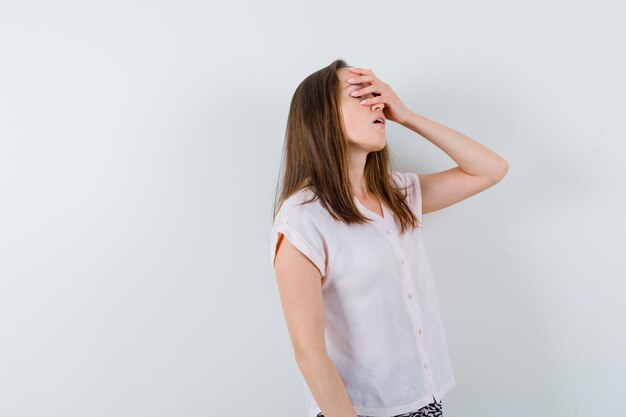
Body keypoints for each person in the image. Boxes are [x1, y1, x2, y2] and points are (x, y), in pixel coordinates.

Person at [269, 59, 508, 417]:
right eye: (360, 95)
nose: (377, 102)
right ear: (322, 116)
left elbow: (491, 169)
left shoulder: (399, 194)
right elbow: (309, 353)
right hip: (356, 410)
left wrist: (407, 115)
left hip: (424, 399)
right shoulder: (303, 218)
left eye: (377, 94)